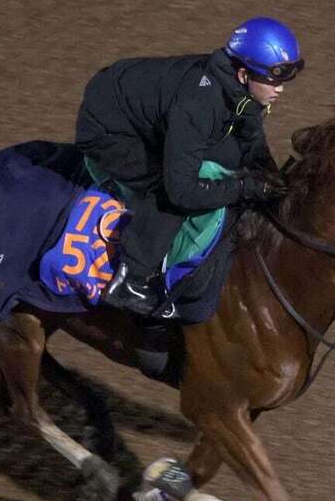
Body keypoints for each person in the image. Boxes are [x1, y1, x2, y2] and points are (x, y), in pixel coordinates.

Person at [75, 16, 304, 316]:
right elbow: (182, 191)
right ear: (244, 74)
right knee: (170, 184)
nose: (280, 89)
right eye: (273, 80)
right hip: (109, 130)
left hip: (145, 110)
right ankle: (131, 278)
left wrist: (271, 180)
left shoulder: (238, 88)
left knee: (230, 155)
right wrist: (245, 188)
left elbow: (251, 142)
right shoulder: (198, 104)